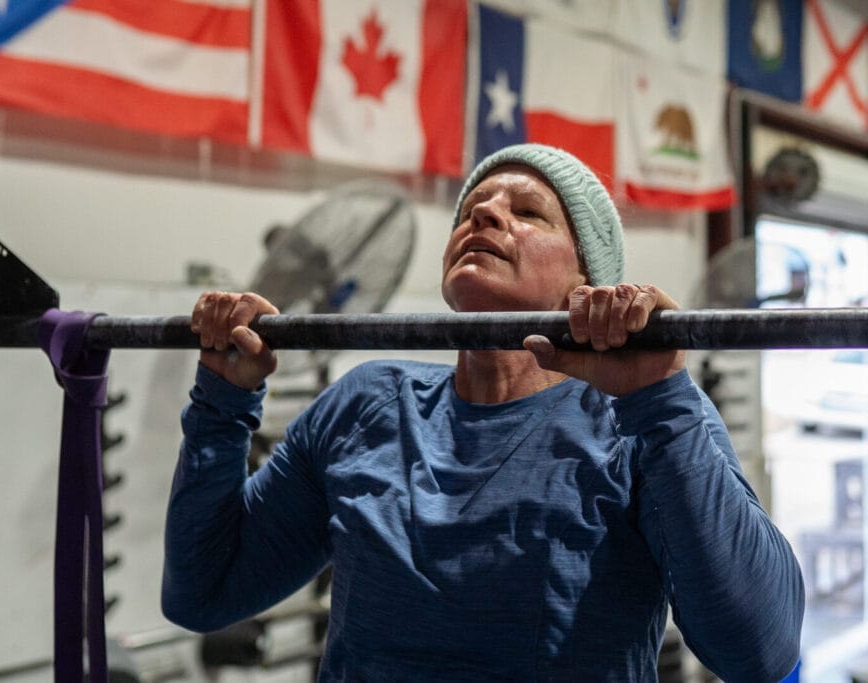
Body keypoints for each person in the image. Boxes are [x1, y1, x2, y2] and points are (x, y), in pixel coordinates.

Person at [162, 144, 804, 681]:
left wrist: (661, 398)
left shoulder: (635, 421)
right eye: (472, 209)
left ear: (589, 279)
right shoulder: (364, 406)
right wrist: (223, 399)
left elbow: (759, 652)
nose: (487, 215)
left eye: (528, 212)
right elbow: (203, 592)